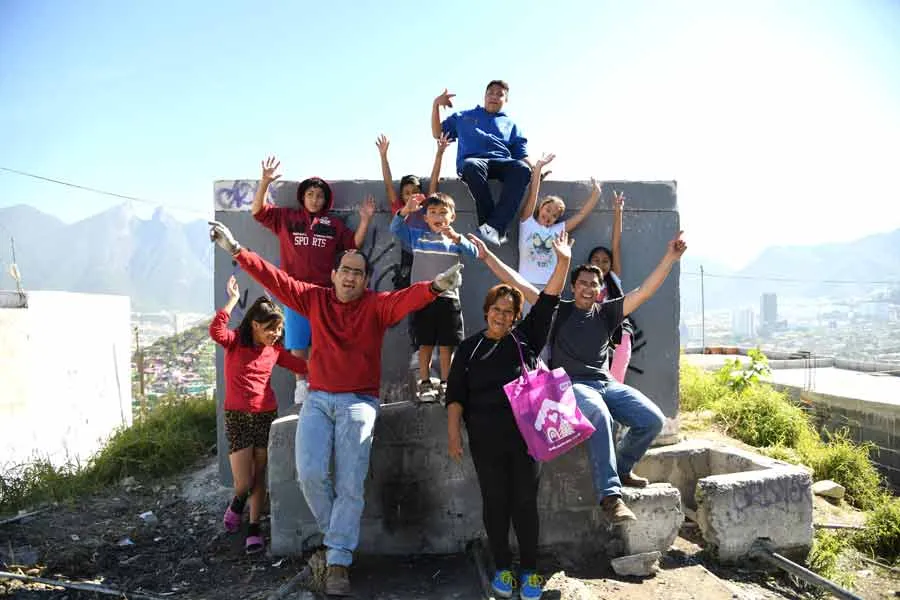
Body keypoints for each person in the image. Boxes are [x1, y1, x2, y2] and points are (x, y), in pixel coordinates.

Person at [209, 220, 462, 597]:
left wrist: (438, 286)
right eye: (345, 270)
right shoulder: (314, 298)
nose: (350, 277)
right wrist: (235, 248)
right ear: (334, 274)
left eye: (358, 273)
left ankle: (338, 560)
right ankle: (338, 538)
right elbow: (275, 278)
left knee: (350, 481)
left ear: (365, 280)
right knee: (309, 472)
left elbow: (407, 298)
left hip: (360, 403)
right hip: (318, 399)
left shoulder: (376, 305)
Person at [471, 229, 687, 523]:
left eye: (593, 284)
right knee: (599, 414)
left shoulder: (606, 312)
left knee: (652, 419)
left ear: (600, 290)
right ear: (573, 287)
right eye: (582, 283)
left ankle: (622, 467)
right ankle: (610, 497)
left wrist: (671, 257)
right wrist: (487, 257)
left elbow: (645, 291)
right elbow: (517, 282)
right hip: (571, 385)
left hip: (605, 383)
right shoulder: (558, 310)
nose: (588, 288)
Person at [446, 231, 573, 600]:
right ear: (486, 311)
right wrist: (454, 433)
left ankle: (530, 571)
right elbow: (455, 395)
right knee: (495, 503)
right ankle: (503, 568)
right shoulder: (469, 349)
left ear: (517, 316)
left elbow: (548, 301)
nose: (502, 316)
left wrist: (562, 262)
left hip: (526, 440)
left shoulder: (525, 340)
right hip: (485, 440)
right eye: (496, 309)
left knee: (524, 504)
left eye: (509, 311)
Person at [250, 157, 377, 406]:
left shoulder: (333, 224)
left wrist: (365, 220)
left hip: (324, 293)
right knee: (298, 341)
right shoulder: (287, 218)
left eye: (319, 195)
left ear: (325, 199)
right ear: (303, 196)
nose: (314, 199)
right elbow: (258, 212)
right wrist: (264, 182)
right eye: (310, 194)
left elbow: (354, 245)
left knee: (322, 340)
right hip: (294, 291)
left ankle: (320, 382)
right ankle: (301, 385)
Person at [209, 276, 307, 554]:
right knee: (244, 481)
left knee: (260, 472)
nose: (275, 335)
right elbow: (216, 330)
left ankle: (254, 527)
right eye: (270, 329)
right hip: (238, 416)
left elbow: (303, 365)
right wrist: (231, 299)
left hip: (266, 415)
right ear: (254, 324)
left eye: (278, 329)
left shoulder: (274, 351)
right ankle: (237, 502)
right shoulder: (235, 343)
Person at [390, 192, 478, 400]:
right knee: (425, 343)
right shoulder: (418, 237)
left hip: (449, 300)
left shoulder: (456, 241)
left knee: (447, 345)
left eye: (442, 212)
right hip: (423, 299)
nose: (438, 216)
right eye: (432, 212)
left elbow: (475, 252)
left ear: (452, 217)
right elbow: (395, 228)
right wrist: (406, 210)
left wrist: (458, 238)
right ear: (425, 218)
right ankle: (425, 383)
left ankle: (447, 383)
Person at [431, 80, 531, 247]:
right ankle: (493, 227)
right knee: (472, 166)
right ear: (484, 96)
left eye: (500, 94)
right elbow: (437, 133)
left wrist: (536, 168)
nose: (494, 96)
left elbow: (522, 155)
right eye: (490, 93)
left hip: (502, 162)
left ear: (505, 100)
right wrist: (435, 105)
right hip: (474, 162)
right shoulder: (464, 117)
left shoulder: (511, 125)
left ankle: (491, 226)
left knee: (522, 170)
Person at [518, 152, 600, 301]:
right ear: (541, 207)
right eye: (548, 210)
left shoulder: (557, 230)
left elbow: (580, 216)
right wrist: (538, 168)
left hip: (550, 285)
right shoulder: (527, 223)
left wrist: (595, 195)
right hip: (526, 283)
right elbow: (533, 193)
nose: (549, 216)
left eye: (554, 215)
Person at [375, 132, 452, 290]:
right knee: (405, 292)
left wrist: (440, 152)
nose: (412, 196)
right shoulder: (400, 208)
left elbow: (434, 179)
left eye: (415, 191)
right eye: (407, 193)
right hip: (408, 255)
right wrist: (383, 156)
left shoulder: (428, 207)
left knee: (431, 289)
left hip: (428, 252)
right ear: (402, 196)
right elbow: (389, 184)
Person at [587, 190, 634, 383]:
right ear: (589, 263)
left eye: (605, 260)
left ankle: (613, 410)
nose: (601, 263)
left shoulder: (613, 279)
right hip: (594, 334)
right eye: (596, 260)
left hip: (619, 334)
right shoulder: (585, 284)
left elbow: (615, 244)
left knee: (616, 379)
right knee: (596, 378)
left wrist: (617, 211)